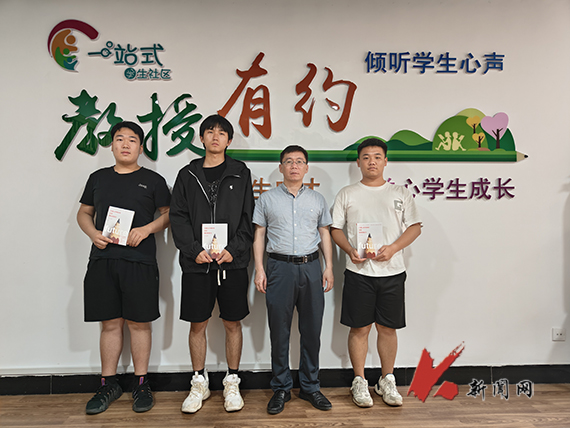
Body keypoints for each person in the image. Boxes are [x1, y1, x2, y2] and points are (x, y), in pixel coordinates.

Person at [77, 121, 171, 414]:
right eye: (119, 139)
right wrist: (93, 234)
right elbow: (84, 213)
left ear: (141, 148)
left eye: (132, 140)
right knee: (110, 323)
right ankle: (108, 383)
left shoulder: (153, 180)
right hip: (103, 259)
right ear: (112, 145)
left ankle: (141, 383)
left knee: (139, 323)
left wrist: (146, 229)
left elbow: (169, 214)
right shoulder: (98, 178)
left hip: (140, 261)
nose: (125, 144)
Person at [170, 114, 254, 414]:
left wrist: (235, 249)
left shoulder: (240, 172)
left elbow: (248, 217)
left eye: (221, 133)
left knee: (232, 322)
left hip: (232, 264)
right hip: (197, 264)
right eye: (209, 131)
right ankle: (199, 381)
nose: (215, 136)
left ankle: (232, 380)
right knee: (198, 323)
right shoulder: (187, 174)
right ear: (201, 138)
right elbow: (178, 217)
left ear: (229, 140)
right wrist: (194, 250)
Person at [330, 138, 422, 408]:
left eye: (377, 156)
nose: (372, 161)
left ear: (385, 161)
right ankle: (359, 380)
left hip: (392, 272)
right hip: (358, 272)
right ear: (358, 162)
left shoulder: (400, 193)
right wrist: (349, 250)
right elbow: (335, 229)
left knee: (388, 328)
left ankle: (386, 379)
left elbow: (415, 227)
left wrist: (393, 248)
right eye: (366, 157)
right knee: (359, 328)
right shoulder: (347, 193)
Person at [253, 145, 334, 415]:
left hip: (311, 267)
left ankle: (310, 386)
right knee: (279, 331)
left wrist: (329, 267)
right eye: (289, 161)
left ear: (306, 168)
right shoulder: (266, 199)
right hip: (279, 268)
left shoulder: (318, 199)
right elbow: (259, 235)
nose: (294, 166)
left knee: (311, 331)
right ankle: (281, 388)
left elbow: (324, 233)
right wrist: (259, 269)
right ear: (281, 167)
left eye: (299, 161)